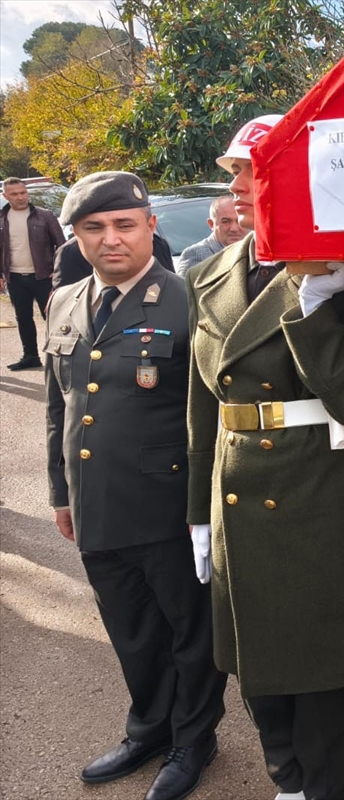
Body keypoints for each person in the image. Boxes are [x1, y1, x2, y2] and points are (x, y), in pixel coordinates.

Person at [186, 114, 344, 800]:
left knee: (320, 672)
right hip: (236, 493)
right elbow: (204, 407)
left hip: (317, 494)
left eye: (257, 169)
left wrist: (314, 303)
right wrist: (198, 512)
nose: (242, 186)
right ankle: (287, 781)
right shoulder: (209, 272)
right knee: (255, 664)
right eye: (236, 171)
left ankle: (326, 789)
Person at [44, 171, 226, 800]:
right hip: (95, 501)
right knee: (129, 626)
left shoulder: (190, 299)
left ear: (150, 226)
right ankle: (149, 727)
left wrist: (201, 506)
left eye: (124, 225)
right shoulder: (63, 301)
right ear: (76, 236)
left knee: (188, 628)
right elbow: (58, 408)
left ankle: (194, 737)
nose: (110, 239)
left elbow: (212, 414)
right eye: (93, 228)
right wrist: (61, 492)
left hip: (167, 502)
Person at [1, 176, 66, 370]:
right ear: (6, 196)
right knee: (23, 318)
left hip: (43, 277)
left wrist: (58, 271)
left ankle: (59, 357)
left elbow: (62, 246)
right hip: (15, 278)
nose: (20, 197)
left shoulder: (45, 216)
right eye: (15, 194)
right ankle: (30, 356)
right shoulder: (2, 219)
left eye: (23, 192)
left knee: (53, 318)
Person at [176, 196, 245, 274]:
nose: (234, 228)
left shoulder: (252, 250)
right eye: (226, 222)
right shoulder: (196, 254)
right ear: (211, 224)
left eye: (239, 221)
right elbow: (184, 286)